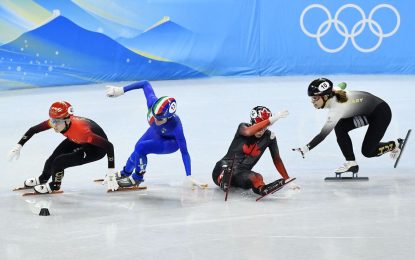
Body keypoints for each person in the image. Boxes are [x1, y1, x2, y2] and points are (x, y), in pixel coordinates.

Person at [106, 80, 205, 188]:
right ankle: (126, 172)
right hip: (156, 132)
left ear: (169, 117)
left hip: (170, 142)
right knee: (137, 148)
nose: (156, 120)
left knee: (141, 147)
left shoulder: (176, 127)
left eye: (160, 119)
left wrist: (188, 175)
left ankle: (137, 178)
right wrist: (121, 90)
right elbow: (145, 83)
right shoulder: (152, 102)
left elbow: (185, 152)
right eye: (154, 115)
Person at [292, 78, 405, 174]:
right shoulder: (333, 91)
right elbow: (342, 84)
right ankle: (351, 163)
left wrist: (305, 148)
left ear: (326, 97)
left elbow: (322, 135)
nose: (312, 101)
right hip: (366, 112)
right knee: (340, 127)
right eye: (311, 98)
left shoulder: (336, 109)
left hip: (381, 113)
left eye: (315, 98)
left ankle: (395, 144)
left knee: (368, 151)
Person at [8, 101, 118, 193]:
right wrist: (19, 146)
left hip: (95, 149)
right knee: (52, 159)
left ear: (68, 120)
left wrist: (111, 172)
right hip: (77, 139)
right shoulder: (57, 121)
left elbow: (109, 146)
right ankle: (43, 178)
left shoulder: (83, 131)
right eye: (52, 120)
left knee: (59, 162)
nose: (54, 125)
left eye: (57, 122)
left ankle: (54, 185)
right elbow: (33, 130)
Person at [212, 106, 298, 196]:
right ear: (252, 122)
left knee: (256, 177)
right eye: (259, 126)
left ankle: (262, 189)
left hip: (240, 174)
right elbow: (248, 132)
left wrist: (287, 179)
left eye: (265, 127)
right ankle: (223, 180)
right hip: (223, 167)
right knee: (225, 167)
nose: (261, 130)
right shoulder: (243, 127)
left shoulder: (270, 137)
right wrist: (273, 119)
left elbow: (277, 160)